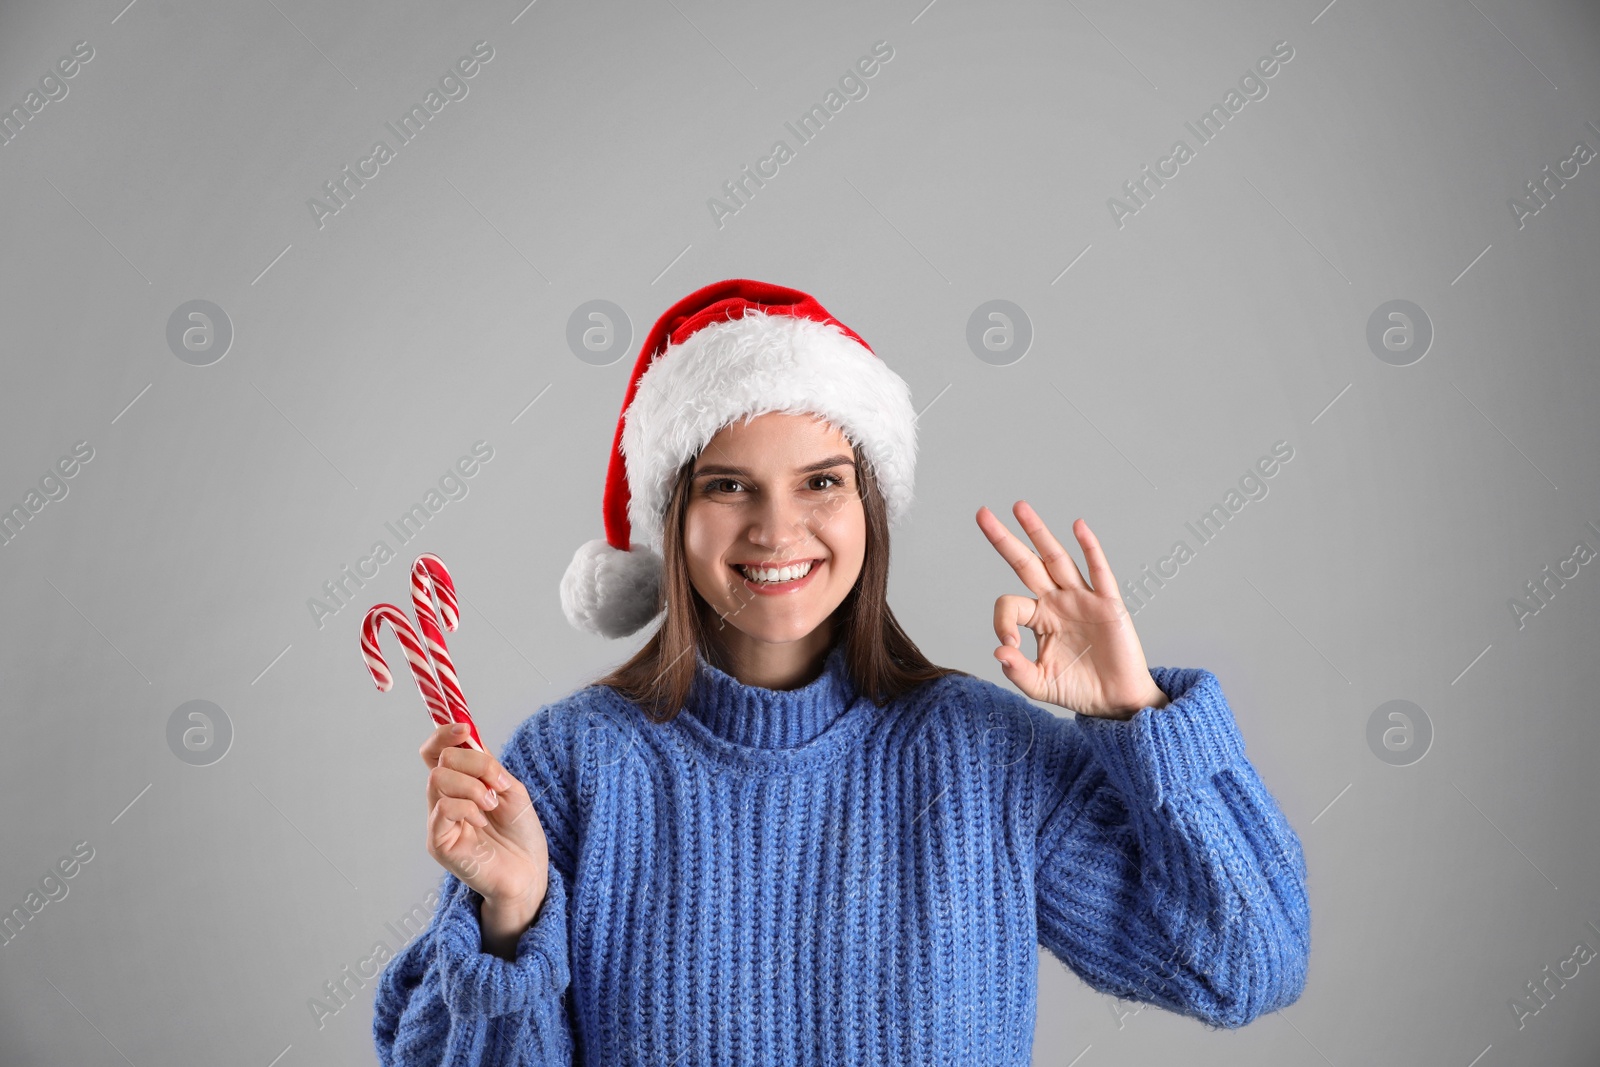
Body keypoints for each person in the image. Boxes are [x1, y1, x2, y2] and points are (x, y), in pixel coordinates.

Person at [372, 279, 1310, 1065]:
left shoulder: (985, 758)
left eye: (821, 481)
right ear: (674, 520)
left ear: (870, 506)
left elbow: (1246, 965)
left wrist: (1140, 715)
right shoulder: (573, 768)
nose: (777, 530)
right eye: (728, 485)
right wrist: (510, 920)